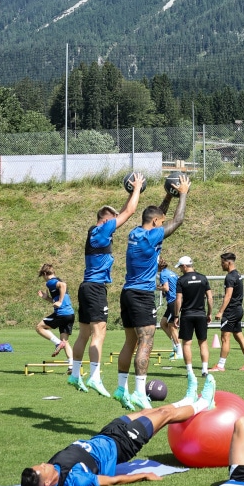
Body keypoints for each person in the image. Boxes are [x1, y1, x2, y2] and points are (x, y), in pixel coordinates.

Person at [21, 375, 216, 486]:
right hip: (121, 446)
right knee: (164, 416)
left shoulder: (52, 466)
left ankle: (187, 400)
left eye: (40, 464)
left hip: (106, 434)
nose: (44, 464)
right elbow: (111, 480)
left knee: (147, 412)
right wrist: (143, 476)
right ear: (47, 482)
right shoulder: (75, 480)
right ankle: (203, 403)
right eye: (42, 469)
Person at [115, 175, 190, 412]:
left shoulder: (136, 233)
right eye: (160, 221)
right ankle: (139, 392)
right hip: (142, 294)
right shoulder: (152, 236)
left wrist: (169, 195)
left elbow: (160, 217)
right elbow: (178, 220)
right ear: (156, 222)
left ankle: (121, 388)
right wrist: (184, 193)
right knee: (146, 341)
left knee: (130, 342)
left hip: (126, 292)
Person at [69, 176, 144, 398]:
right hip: (95, 288)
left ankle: (75, 374)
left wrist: (130, 194)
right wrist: (138, 188)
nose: (116, 225)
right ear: (105, 220)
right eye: (113, 221)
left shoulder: (97, 232)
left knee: (83, 334)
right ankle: (94, 376)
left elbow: (121, 214)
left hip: (86, 287)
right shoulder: (101, 231)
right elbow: (128, 213)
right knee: (98, 333)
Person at [173, 256, 213, 395]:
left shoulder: (181, 280)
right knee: (203, 343)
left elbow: (179, 299)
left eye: (180, 267)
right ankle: (204, 369)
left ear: (185, 266)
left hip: (187, 315)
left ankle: (190, 371)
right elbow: (210, 297)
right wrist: (209, 313)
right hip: (201, 314)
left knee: (187, 344)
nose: (180, 270)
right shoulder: (203, 278)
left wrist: (176, 315)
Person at [211, 252, 244, 372]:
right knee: (238, 335)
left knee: (225, 338)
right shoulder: (238, 275)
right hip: (238, 309)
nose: (221, 265)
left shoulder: (230, 277)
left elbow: (228, 296)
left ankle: (220, 365)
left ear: (229, 262)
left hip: (231, 311)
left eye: (222, 262)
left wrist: (220, 311)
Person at [36, 264, 74, 369]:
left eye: (42, 276)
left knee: (39, 327)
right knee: (65, 341)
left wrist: (60, 302)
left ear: (44, 274)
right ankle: (72, 367)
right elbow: (55, 301)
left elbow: (63, 285)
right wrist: (47, 298)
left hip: (61, 314)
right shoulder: (56, 282)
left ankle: (57, 343)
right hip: (70, 314)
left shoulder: (51, 282)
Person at [157, 256, 182, 360]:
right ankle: (175, 347)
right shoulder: (171, 272)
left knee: (172, 326)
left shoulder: (163, 274)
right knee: (163, 323)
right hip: (174, 301)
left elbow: (166, 288)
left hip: (173, 301)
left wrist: (156, 287)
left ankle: (180, 351)